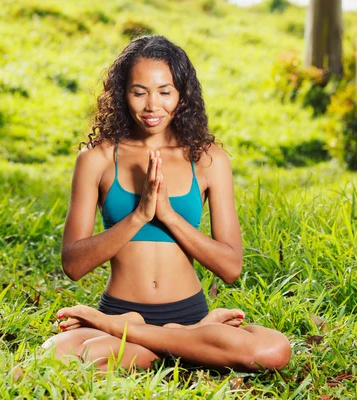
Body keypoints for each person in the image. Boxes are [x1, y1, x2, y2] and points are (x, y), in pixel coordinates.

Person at [42, 35, 291, 372]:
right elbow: (74, 264)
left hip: (188, 313)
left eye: (164, 91)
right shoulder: (97, 159)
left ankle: (134, 333)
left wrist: (169, 216)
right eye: (139, 91)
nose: (151, 106)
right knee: (53, 354)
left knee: (274, 350)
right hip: (122, 305)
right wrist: (139, 216)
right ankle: (178, 341)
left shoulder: (208, 160)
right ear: (122, 93)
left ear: (182, 95)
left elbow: (230, 267)